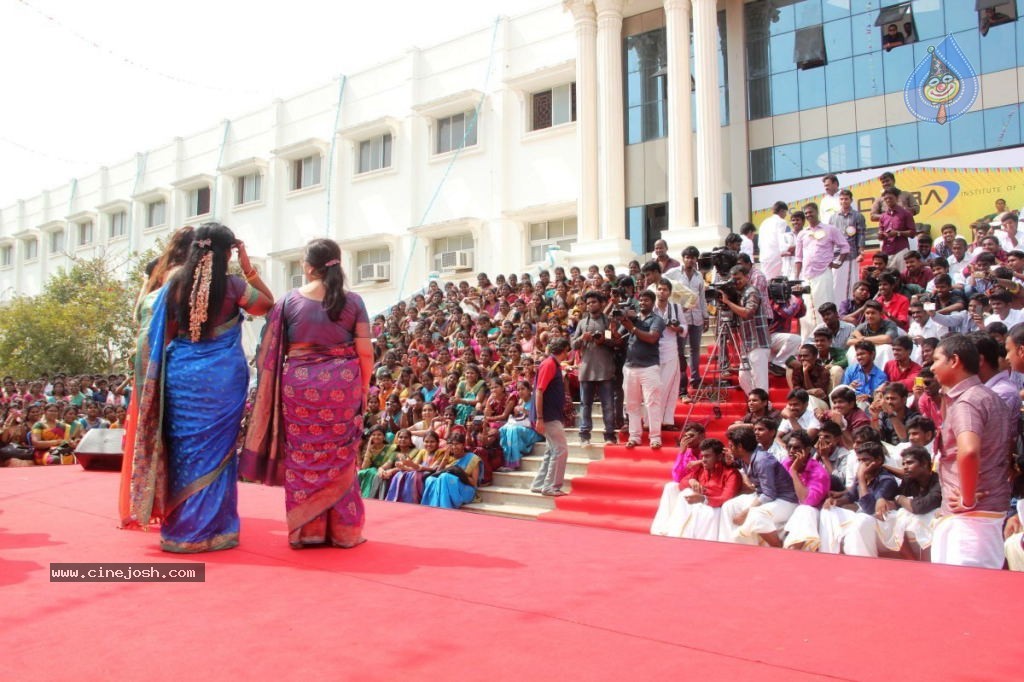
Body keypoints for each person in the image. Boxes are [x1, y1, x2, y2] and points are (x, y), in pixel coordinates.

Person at [131, 222, 273, 552]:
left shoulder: (173, 284)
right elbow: (267, 305)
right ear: (227, 253)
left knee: (182, 452)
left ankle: (180, 532)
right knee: (218, 454)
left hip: (181, 377)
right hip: (223, 380)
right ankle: (214, 531)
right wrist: (249, 267)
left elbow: (157, 333)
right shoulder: (235, 286)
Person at [240, 238, 372, 549]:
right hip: (343, 386)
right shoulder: (353, 302)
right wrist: (363, 387)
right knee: (340, 457)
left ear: (309, 266)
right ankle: (343, 532)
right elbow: (365, 352)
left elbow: (268, 346)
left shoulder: (288, 302)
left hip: (298, 387)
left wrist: (247, 269)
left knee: (303, 456)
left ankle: (306, 531)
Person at [119, 225, 195, 529]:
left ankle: (143, 498)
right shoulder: (184, 275)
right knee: (169, 423)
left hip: (144, 348)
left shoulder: (156, 274)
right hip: (167, 349)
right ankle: (169, 499)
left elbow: (138, 313)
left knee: (145, 421)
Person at [930, 335, 1013, 569]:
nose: (932, 366)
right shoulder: (989, 397)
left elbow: (968, 452)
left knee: (965, 594)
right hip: (983, 514)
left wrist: (966, 500)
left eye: (937, 360)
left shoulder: (967, 401)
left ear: (954, 361)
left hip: (970, 520)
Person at [719, 424, 798, 546]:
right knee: (729, 506)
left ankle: (779, 547)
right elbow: (739, 463)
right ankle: (731, 544)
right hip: (762, 495)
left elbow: (769, 494)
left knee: (757, 513)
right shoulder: (745, 456)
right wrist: (731, 461)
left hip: (785, 500)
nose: (729, 448)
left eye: (731, 446)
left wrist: (745, 513)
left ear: (740, 447)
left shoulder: (763, 461)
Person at [819, 441, 899, 557]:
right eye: (859, 460)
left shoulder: (886, 481)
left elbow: (870, 509)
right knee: (828, 510)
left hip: (883, 526)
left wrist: (861, 478)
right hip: (865, 519)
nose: (861, 464)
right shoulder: (865, 476)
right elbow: (851, 496)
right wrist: (836, 501)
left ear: (878, 461)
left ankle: (864, 561)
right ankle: (828, 554)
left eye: (865, 460)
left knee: (861, 519)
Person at [651, 438, 740, 539]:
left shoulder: (731, 473)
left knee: (705, 511)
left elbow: (726, 498)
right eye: (702, 456)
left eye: (707, 456)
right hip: (700, 503)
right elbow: (681, 484)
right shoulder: (701, 469)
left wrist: (704, 498)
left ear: (719, 456)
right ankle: (672, 533)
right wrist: (691, 481)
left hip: (716, 508)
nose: (703, 460)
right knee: (683, 492)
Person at [616, 290, 666, 449]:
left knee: (652, 403)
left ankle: (655, 437)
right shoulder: (632, 319)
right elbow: (615, 338)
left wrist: (632, 328)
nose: (643, 303)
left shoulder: (657, 319)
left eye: (646, 300)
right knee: (631, 404)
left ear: (652, 303)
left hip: (649, 367)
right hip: (630, 367)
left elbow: (652, 338)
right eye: (641, 300)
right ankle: (635, 436)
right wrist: (614, 321)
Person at [794, 202, 849, 338]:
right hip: (806, 275)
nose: (808, 215)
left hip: (823, 273)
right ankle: (808, 341)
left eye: (810, 212)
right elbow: (798, 257)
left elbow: (845, 247)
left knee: (824, 304)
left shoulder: (830, 229)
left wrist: (838, 263)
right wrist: (796, 278)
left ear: (816, 212)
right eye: (806, 214)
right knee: (806, 309)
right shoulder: (802, 234)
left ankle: (826, 338)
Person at [571, 291, 616, 446]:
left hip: (605, 368)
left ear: (601, 303)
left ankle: (609, 435)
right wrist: (582, 338)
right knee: (585, 404)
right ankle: (584, 435)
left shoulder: (608, 322)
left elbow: (612, 342)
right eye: (588, 303)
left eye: (594, 302)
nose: (590, 305)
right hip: (586, 369)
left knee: (608, 404)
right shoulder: (582, 323)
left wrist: (603, 340)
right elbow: (572, 344)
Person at [530, 338, 572, 496]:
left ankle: (539, 483)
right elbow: (540, 391)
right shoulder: (549, 364)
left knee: (551, 450)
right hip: (548, 416)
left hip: (549, 414)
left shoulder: (551, 364)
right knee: (560, 450)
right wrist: (540, 418)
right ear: (564, 350)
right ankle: (551, 486)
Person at [778, 430, 831, 550]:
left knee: (804, 510)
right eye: (789, 447)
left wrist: (794, 472)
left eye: (796, 448)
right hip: (791, 507)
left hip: (813, 515)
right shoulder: (785, 463)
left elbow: (807, 501)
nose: (791, 451)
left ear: (807, 450)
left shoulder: (818, 472)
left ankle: (792, 551)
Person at [723, 265, 771, 396]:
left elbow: (748, 313)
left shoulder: (752, 292)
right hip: (747, 344)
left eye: (738, 279)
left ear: (747, 277)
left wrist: (728, 303)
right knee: (743, 378)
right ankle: (757, 405)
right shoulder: (740, 294)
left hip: (758, 342)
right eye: (734, 280)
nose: (736, 282)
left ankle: (764, 409)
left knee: (760, 382)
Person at [674, 246, 708, 394]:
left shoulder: (699, 276)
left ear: (696, 260)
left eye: (693, 257)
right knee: (680, 350)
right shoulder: (675, 273)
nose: (690, 260)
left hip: (697, 317)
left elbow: (702, 297)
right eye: (687, 257)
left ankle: (695, 379)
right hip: (682, 318)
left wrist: (706, 316)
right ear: (683, 258)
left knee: (695, 349)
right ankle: (681, 381)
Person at [421, 431, 482, 509]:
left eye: (457, 444)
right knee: (430, 479)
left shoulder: (473, 458)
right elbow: (437, 474)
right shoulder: (448, 458)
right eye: (451, 444)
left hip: (466, 490)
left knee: (445, 476)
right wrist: (445, 457)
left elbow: (474, 483)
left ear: (463, 445)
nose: (454, 447)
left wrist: (459, 473)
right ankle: (431, 506)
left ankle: (445, 508)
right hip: (446, 489)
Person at [830, 189, 866, 302]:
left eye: (846, 199)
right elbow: (830, 237)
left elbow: (861, 234)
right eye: (841, 199)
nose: (844, 201)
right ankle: (837, 307)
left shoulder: (857, 216)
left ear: (851, 200)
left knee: (851, 283)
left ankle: (849, 306)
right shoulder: (833, 217)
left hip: (851, 255)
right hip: (836, 255)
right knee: (836, 283)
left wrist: (861, 252)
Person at [758, 201, 790, 279]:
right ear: (782, 211)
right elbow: (781, 238)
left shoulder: (764, 222)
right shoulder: (781, 222)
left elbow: (759, 242)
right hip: (775, 256)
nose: (785, 215)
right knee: (775, 282)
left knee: (766, 280)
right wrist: (784, 251)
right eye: (785, 212)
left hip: (764, 256)